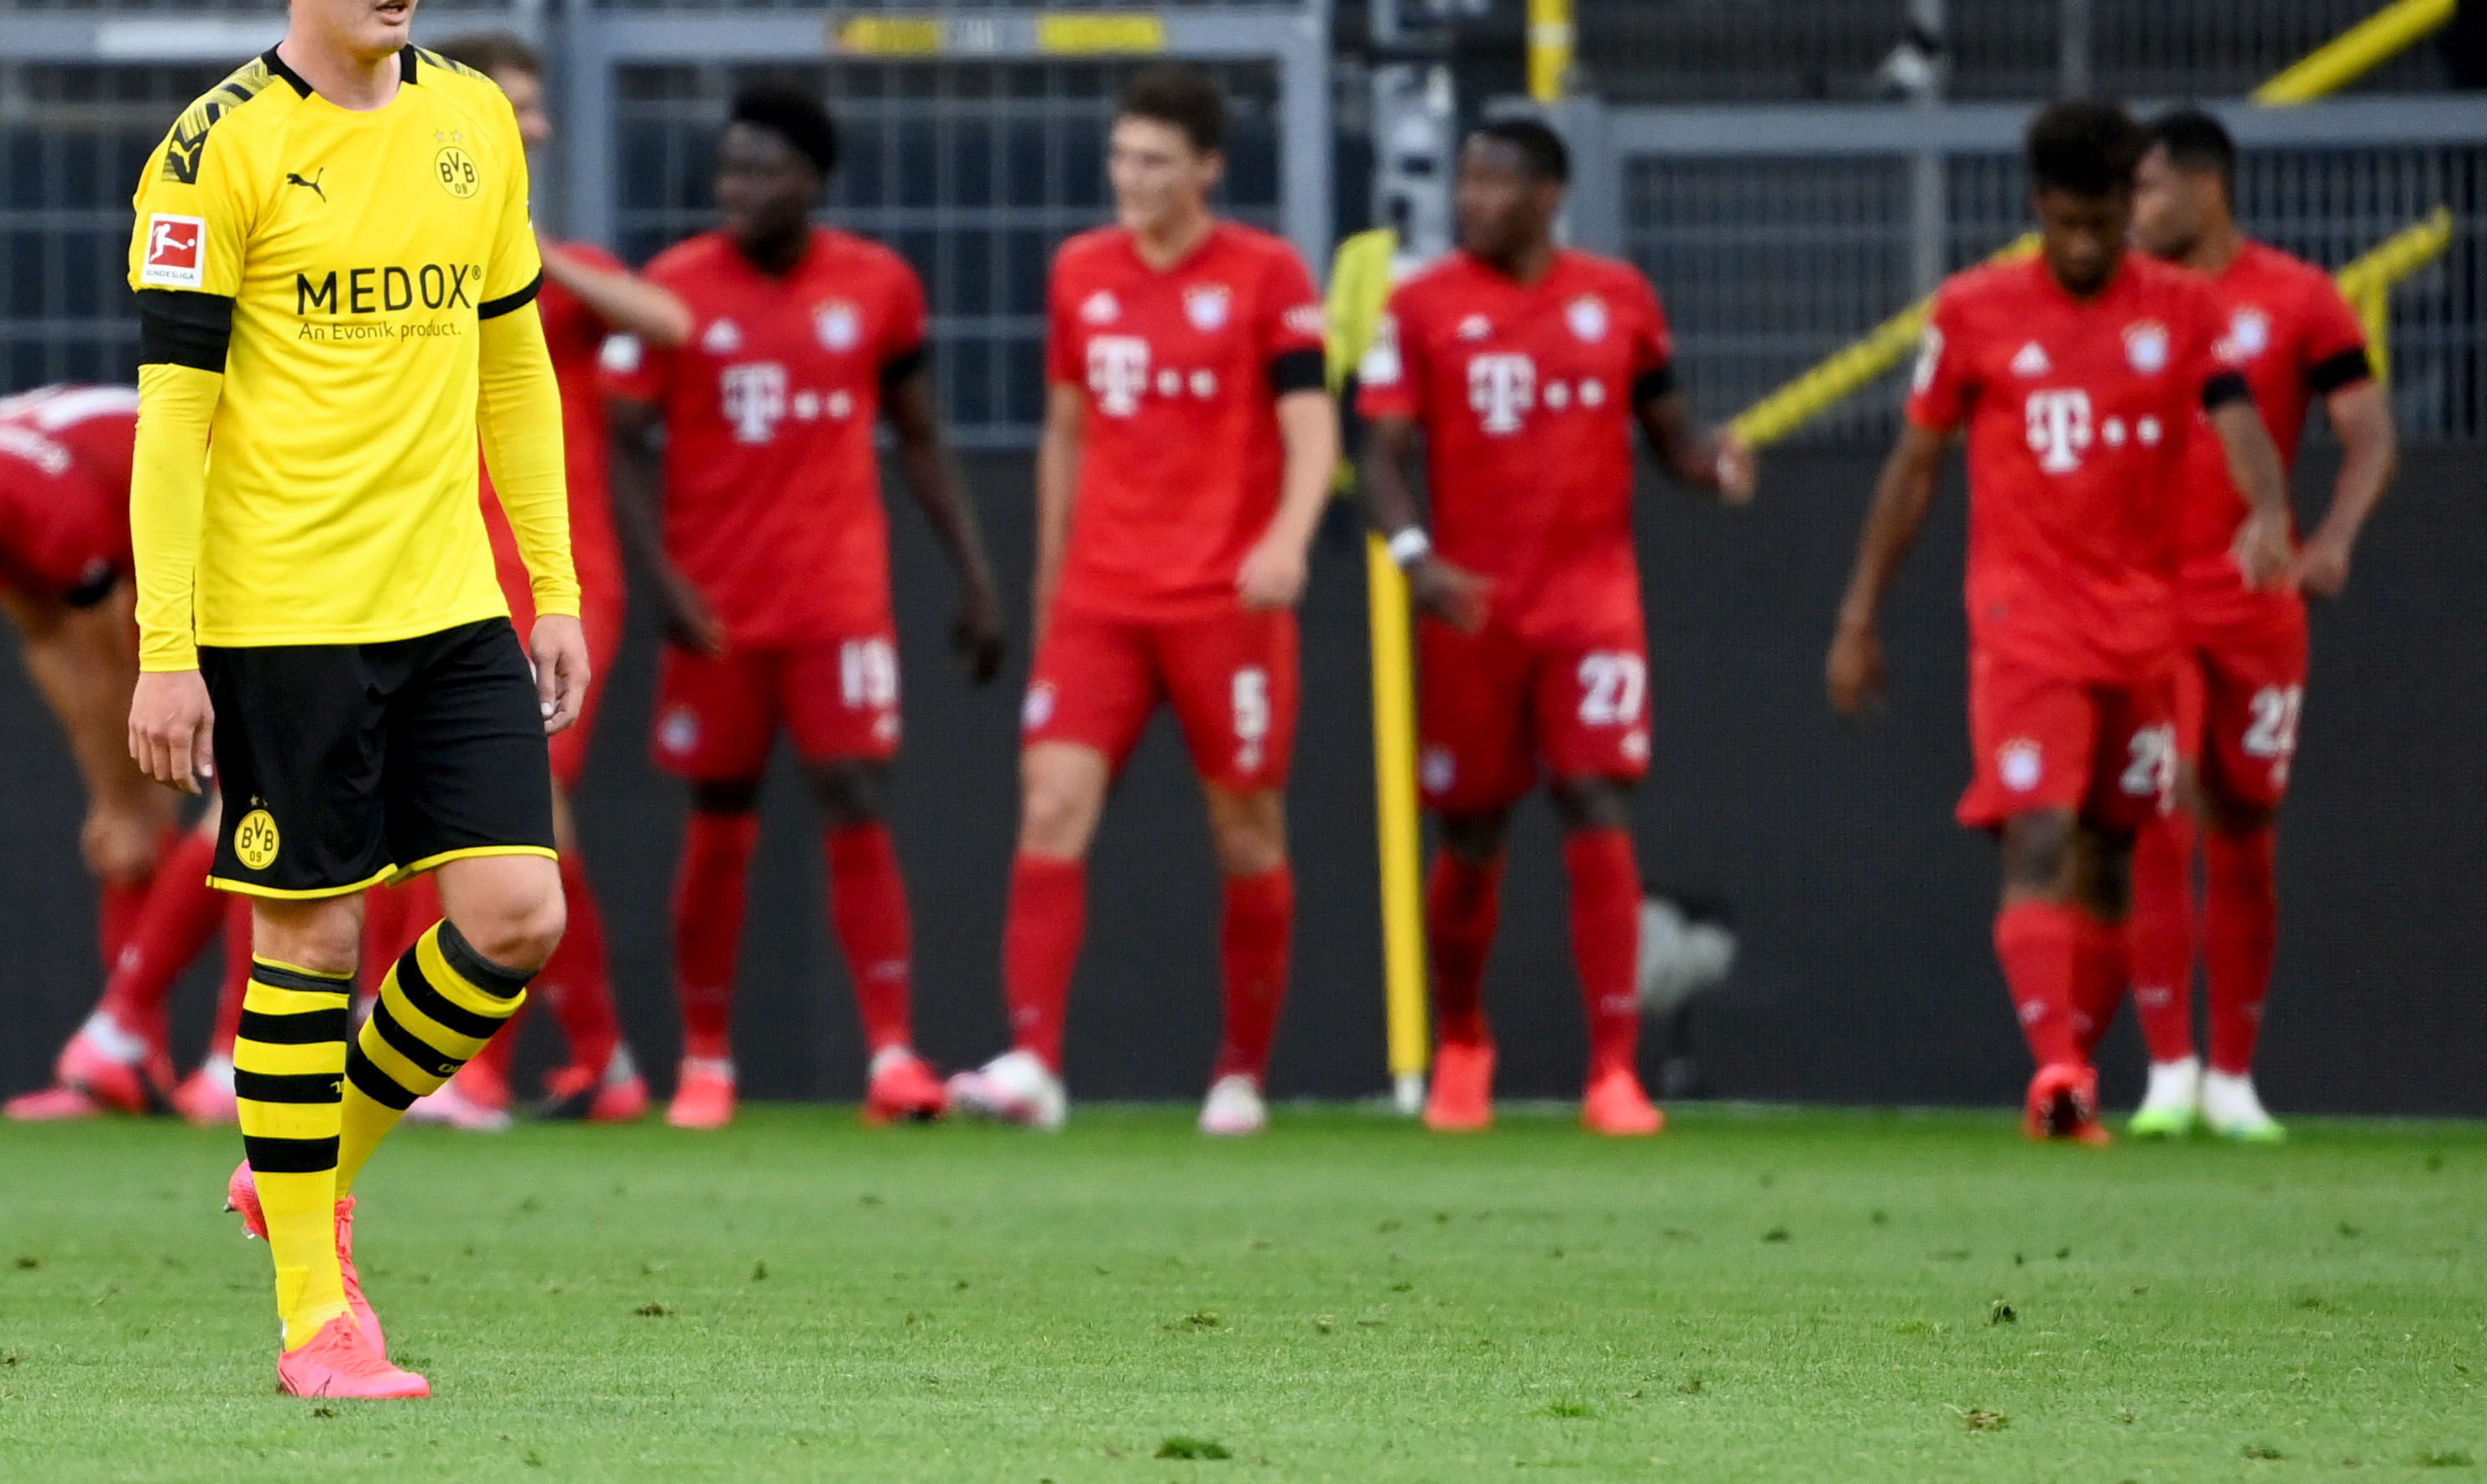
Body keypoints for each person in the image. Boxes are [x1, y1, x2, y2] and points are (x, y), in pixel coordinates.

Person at [122, 0, 585, 1399]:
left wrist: (558, 584)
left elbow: (514, 361)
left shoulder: (471, 118)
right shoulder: (213, 152)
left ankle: (301, 1167)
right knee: (310, 936)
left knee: (518, 915)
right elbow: (172, 424)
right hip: (281, 611)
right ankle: (320, 1312)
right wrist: (166, 648)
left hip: (449, 599)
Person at [1826, 99, 2294, 1143]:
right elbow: (1914, 468)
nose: (2085, 246)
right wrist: (1860, 613)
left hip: (2145, 625)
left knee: (2113, 856)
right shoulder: (1975, 309)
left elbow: (2237, 420)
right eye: (2067, 223)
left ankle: (2070, 1074)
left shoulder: (2180, 306)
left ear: (2132, 208)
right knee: (2036, 833)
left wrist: (2267, 509)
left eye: (2104, 224)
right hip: (2024, 623)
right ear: (2038, 206)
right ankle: (2056, 1072)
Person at [947, 65, 1336, 1138]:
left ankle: (1240, 1076)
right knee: (1051, 804)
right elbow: (1065, 431)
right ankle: (1033, 1065)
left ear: (1208, 168)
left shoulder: (1266, 273)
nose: (1132, 178)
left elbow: (1312, 426)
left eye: (1156, 161)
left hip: (1226, 596)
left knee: (1245, 829)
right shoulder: (1081, 270)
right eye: (1122, 156)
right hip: (1103, 600)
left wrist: (1288, 540)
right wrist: (1049, 578)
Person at [607, 83, 1004, 1130]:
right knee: (720, 819)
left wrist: (974, 572)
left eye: (762, 169)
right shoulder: (675, 289)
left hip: (838, 602)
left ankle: (892, 1055)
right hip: (720, 609)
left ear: (814, 181)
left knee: (857, 803)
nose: (738, 188)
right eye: (728, 169)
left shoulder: (878, 288)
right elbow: (624, 442)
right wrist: (667, 584)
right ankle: (704, 1061)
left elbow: (919, 436)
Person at [1353, 116, 1755, 1137]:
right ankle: (1462, 1043)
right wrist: (1415, 558)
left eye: (1493, 182)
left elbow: (1672, 437)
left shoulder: (1618, 299)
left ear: (1548, 195)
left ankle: (1614, 1071)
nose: (1469, 199)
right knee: (1473, 830)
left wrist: (1717, 464)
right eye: (1466, 179)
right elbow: (1383, 457)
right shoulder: (1424, 305)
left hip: (1590, 605)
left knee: (1597, 803)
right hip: (1473, 607)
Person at [359, 31, 689, 1133]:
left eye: (536, 108)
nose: (534, 124)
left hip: (551, 577)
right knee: (459, 823)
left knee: (507, 821)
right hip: (428, 568)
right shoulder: (398, 255)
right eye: (515, 104)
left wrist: (523, 243)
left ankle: (476, 1073)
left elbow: (674, 325)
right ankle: (605, 1062)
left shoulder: (552, 266)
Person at [0, 383, 248, 1125]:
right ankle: (140, 1058)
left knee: (254, 809)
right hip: (160, 536)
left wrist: (130, 795)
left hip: (237, 528)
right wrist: (113, 798)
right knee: (156, 825)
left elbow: (114, 665)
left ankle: (192, 1055)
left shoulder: (51, 521)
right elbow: (49, 646)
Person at [2121, 109, 2396, 1141]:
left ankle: (2233, 1075)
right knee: (2163, 803)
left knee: (2244, 829)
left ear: (2206, 188)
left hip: (2254, 604)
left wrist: (2331, 537)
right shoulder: (2122, 304)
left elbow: (2367, 431)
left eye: (2148, 190)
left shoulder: (2298, 298)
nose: (2133, 211)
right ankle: (2166, 1068)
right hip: (2147, 599)